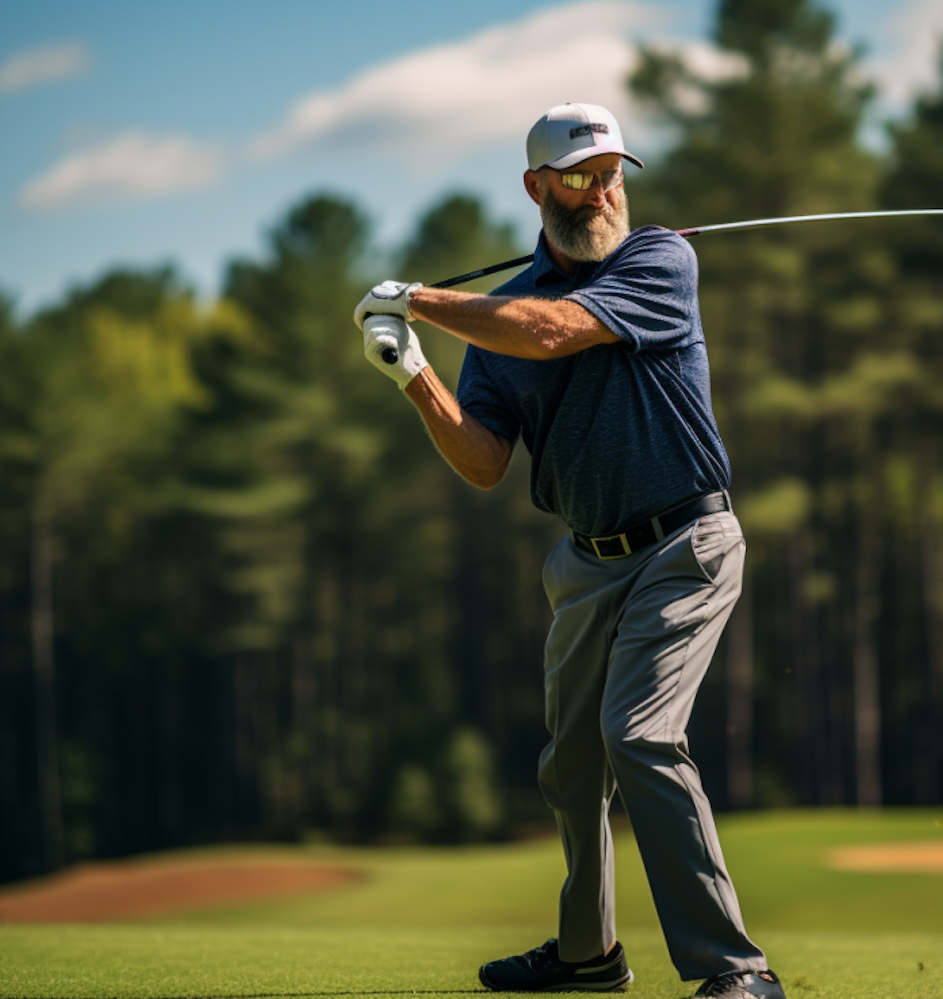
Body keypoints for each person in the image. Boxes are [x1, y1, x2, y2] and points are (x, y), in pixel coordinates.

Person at [353, 102, 785, 999]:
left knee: (639, 733)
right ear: (536, 188)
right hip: (587, 562)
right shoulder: (501, 316)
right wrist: (414, 371)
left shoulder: (659, 259)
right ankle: (588, 952)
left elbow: (555, 330)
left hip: (685, 543)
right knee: (571, 764)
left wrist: (424, 300)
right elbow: (483, 461)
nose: (600, 193)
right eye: (580, 176)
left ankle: (737, 970)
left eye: (612, 172)